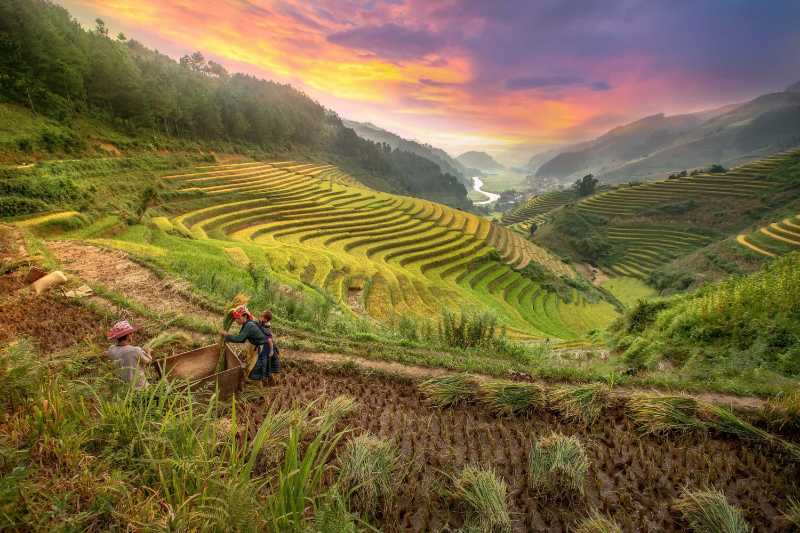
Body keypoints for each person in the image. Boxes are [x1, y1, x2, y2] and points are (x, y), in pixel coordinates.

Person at [219, 304, 269, 383]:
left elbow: (239, 339)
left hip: (261, 347)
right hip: (253, 344)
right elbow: (242, 339)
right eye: (235, 319)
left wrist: (226, 336)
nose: (236, 321)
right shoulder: (246, 324)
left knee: (251, 368)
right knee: (247, 361)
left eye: (238, 318)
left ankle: (254, 382)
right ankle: (246, 376)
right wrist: (228, 337)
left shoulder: (249, 325)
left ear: (245, 317)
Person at [106, 320, 152, 389]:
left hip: (123, 389)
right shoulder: (135, 350)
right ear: (128, 336)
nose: (132, 335)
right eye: (131, 333)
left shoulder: (111, 350)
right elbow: (149, 361)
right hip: (140, 388)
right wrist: (148, 351)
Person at [254, 310, 280, 384]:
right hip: (267, 347)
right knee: (268, 365)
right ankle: (269, 380)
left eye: (262, 316)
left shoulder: (267, 327)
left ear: (266, 319)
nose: (261, 316)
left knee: (268, 365)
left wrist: (271, 350)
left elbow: (269, 339)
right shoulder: (262, 323)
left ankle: (269, 381)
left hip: (268, 348)